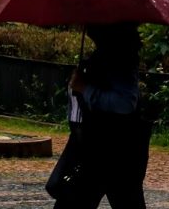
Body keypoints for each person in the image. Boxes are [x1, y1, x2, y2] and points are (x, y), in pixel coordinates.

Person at [47, 22, 150, 209]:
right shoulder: (105, 55)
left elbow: (125, 102)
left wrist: (85, 88)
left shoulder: (119, 58)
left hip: (112, 149)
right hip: (100, 147)